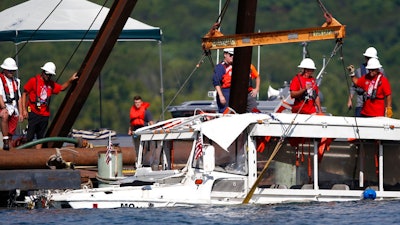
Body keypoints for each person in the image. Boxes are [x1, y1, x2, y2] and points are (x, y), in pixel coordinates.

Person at [21, 62, 78, 149]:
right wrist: (24, 110)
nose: (49, 77)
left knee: (40, 137)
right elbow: (24, 93)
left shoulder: (51, 84)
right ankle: (27, 154)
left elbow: (61, 88)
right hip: (33, 112)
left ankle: (38, 156)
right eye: (48, 75)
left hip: (44, 115)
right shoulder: (34, 81)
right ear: (43, 72)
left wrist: (70, 80)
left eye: (51, 75)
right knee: (30, 136)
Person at [212, 48, 261, 113]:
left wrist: (256, 89)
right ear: (225, 54)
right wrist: (221, 95)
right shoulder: (221, 67)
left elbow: (257, 76)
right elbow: (216, 82)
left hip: (243, 91)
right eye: (231, 55)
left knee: (252, 111)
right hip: (226, 91)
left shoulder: (242, 65)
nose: (232, 57)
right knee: (226, 112)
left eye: (234, 55)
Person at [347, 47, 385, 117]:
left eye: (369, 58)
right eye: (367, 58)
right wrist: (350, 100)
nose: (368, 60)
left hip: (375, 105)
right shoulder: (359, 71)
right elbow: (353, 86)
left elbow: (385, 90)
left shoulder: (380, 71)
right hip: (361, 103)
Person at [0, 58, 23, 150]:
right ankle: (5, 140)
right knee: (4, 116)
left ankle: (9, 142)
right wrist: (3, 107)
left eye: (12, 70)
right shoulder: (0, 80)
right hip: (4, 105)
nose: (11, 72)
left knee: (14, 123)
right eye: (9, 70)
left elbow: (19, 98)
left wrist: (21, 112)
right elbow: (0, 95)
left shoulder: (16, 81)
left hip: (13, 106)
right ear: (5, 70)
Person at [128, 95, 154, 163]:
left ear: (141, 102)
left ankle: (146, 161)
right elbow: (132, 122)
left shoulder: (146, 112)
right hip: (135, 132)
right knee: (137, 148)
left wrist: (154, 131)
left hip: (144, 132)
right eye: (136, 102)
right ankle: (138, 161)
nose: (137, 104)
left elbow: (151, 122)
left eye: (138, 102)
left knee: (145, 147)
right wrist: (130, 130)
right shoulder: (133, 111)